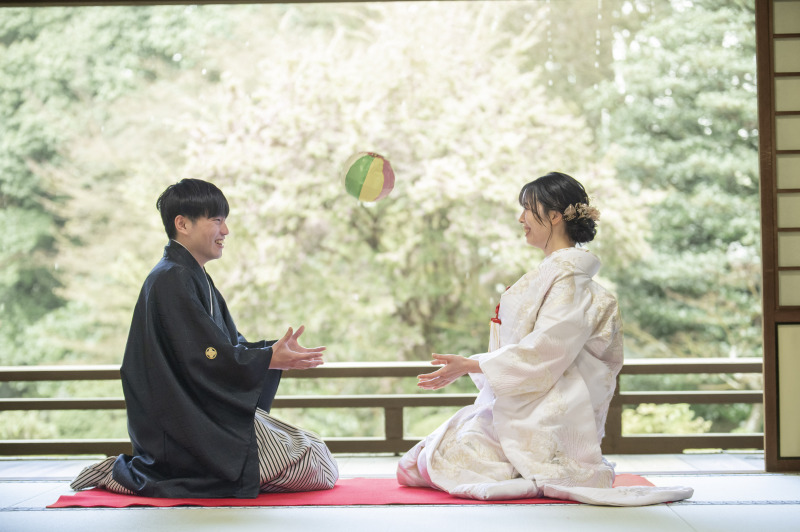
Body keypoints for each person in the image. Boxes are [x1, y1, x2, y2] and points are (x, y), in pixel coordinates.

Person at [396, 172, 692, 506]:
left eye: (527, 208)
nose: (520, 218)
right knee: (417, 463)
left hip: (551, 417)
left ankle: (529, 475)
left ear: (554, 216)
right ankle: (521, 473)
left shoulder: (570, 282)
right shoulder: (555, 276)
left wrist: (472, 364)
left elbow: (546, 350)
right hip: (527, 403)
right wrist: (473, 365)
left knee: (428, 464)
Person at [71, 178, 338, 498]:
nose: (225, 231)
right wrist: (266, 359)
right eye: (216, 220)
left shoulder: (187, 275)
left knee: (316, 453)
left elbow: (223, 347)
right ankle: (122, 473)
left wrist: (270, 353)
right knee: (312, 461)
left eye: (225, 220)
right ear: (182, 223)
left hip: (199, 415)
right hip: (186, 427)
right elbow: (203, 356)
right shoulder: (172, 277)